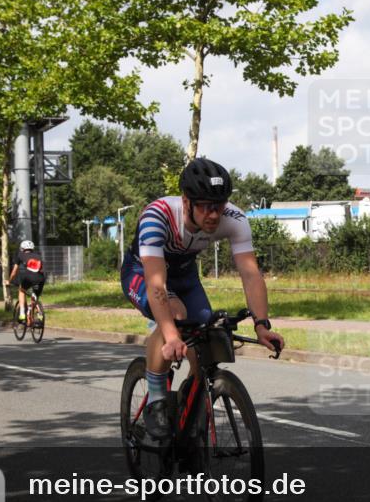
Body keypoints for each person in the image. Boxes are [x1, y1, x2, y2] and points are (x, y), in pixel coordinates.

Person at [121, 158, 284, 439]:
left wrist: (262, 325)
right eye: (206, 207)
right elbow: (156, 283)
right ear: (186, 202)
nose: (213, 215)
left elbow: (250, 273)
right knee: (176, 314)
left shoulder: (234, 219)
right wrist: (172, 335)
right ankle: (157, 400)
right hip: (143, 272)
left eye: (219, 207)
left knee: (206, 332)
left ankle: (191, 404)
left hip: (184, 276)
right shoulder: (157, 216)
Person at [8, 240, 46, 322]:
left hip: (28, 278)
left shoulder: (20, 255)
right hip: (40, 278)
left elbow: (14, 272)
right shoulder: (38, 256)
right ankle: (39, 313)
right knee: (35, 296)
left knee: (21, 290)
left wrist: (9, 281)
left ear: (22, 248)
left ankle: (22, 313)